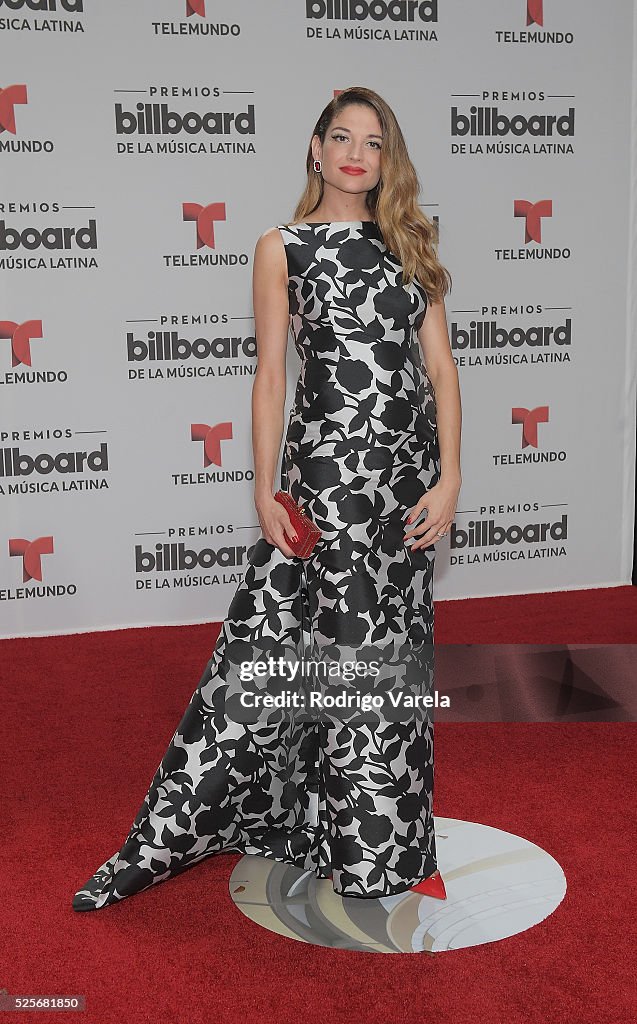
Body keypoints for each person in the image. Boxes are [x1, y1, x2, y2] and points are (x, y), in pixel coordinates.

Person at [72, 86, 461, 913]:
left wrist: (450, 475)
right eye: (341, 137)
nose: (357, 154)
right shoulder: (281, 246)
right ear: (314, 150)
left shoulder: (410, 242)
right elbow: (270, 376)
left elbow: (440, 368)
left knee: (383, 659)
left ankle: (364, 829)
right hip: (328, 477)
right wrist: (264, 487)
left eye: (374, 142)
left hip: (405, 485)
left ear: (388, 158)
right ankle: (361, 852)